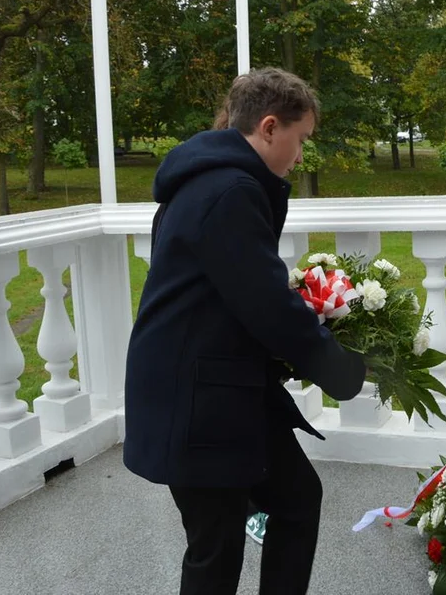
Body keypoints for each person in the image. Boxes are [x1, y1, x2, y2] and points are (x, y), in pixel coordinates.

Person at [123, 67, 366, 595]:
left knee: (297, 499)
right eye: (300, 140)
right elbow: (265, 306)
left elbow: (234, 294)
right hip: (193, 401)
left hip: (223, 391)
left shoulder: (219, 182)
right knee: (216, 548)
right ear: (270, 127)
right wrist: (336, 366)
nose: (300, 156)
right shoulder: (228, 192)